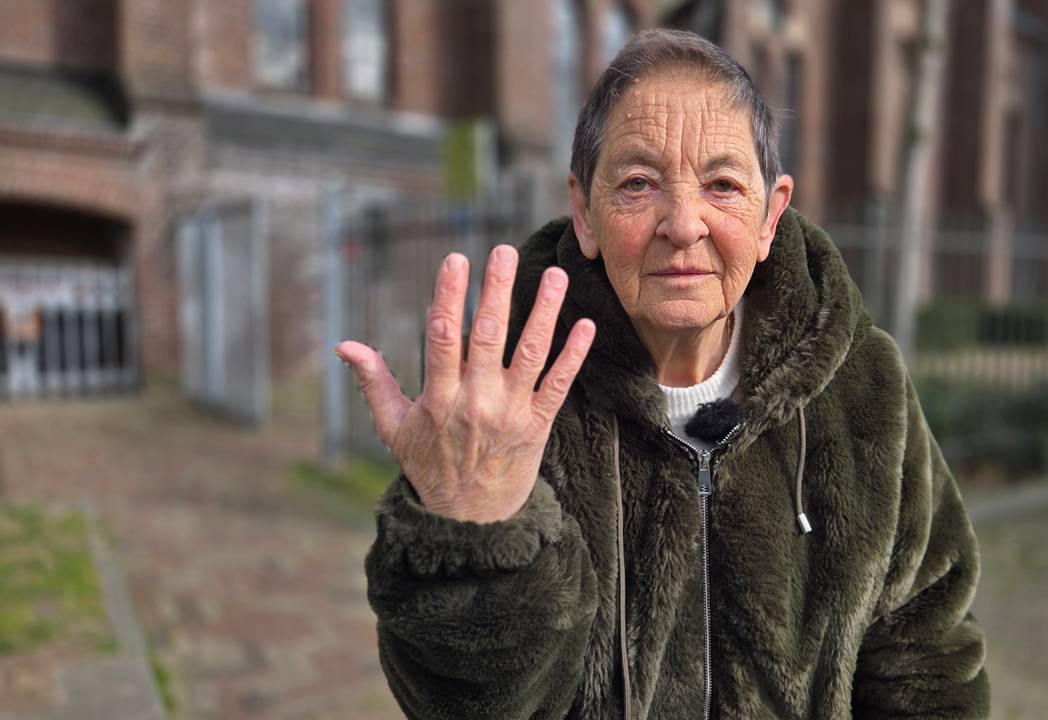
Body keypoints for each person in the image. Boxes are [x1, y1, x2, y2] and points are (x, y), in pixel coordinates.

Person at [337, 29, 990, 720]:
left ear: (771, 215)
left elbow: (927, 655)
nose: (683, 224)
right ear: (584, 211)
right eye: (640, 184)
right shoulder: (501, 412)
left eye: (722, 184)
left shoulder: (864, 387)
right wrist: (473, 535)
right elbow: (472, 705)